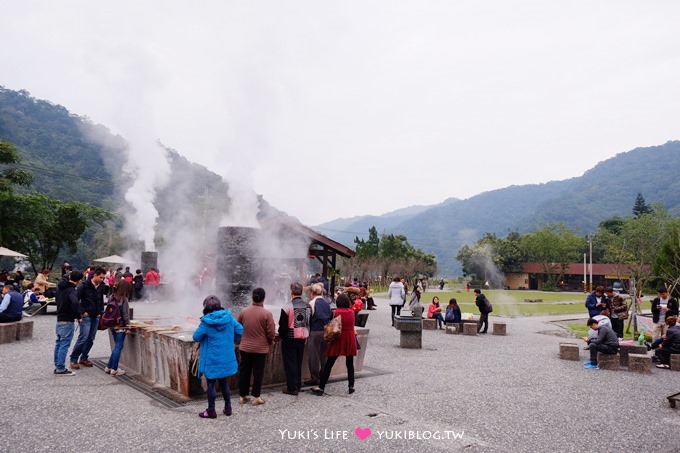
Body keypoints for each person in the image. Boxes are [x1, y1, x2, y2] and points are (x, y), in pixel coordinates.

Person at [193, 295, 243, 418]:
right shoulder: (229, 319)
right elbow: (240, 329)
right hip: (226, 358)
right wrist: (232, 340)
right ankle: (228, 408)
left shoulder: (206, 322)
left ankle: (211, 410)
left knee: (211, 384)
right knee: (223, 382)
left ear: (205, 308)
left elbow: (196, 337)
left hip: (211, 359)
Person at [311, 293, 358, 396]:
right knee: (350, 363)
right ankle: (351, 386)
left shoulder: (336, 312)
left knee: (329, 364)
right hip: (350, 339)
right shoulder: (351, 312)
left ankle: (321, 386)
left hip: (339, 339)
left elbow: (332, 324)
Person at [236, 287, 276, 406]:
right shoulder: (267, 314)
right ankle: (256, 397)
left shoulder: (243, 311)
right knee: (258, 373)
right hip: (260, 349)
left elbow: (237, 328)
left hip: (245, 347)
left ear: (252, 297)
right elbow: (271, 332)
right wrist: (270, 341)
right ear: (263, 299)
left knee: (244, 371)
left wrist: (239, 341)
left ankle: (243, 395)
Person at [278, 282, 311, 396]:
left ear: (291, 292)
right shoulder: (307, 306)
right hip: (302, 338)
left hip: (289, 338)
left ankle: (292, 388)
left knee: (290, 363)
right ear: (301, 292)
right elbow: (308, 322)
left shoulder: (287, 307)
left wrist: (281, 336)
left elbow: (282, 326)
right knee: (298, 361)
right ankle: (298, 384)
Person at [69, 267, 105, 369]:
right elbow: (75, 300)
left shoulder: (101, 286)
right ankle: (74, 359)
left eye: (103, 278)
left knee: (91, 339)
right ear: (95, 275)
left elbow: (101, 300)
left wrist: (101, 312)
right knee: (83, 338)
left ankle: (84, 358)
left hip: (96, 316)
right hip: (86, 316)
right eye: (101, 277)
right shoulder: (84, 286)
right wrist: (81, 312)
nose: (102, 280)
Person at [53, 270, 83, 376]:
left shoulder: (60, 287)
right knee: (64, 344)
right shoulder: (71, 290)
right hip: (68, 319)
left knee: (59, 343)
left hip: (60, 318)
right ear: (79, 281)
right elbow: (75, 302)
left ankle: (57, 365)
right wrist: (78, 315)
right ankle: (61, 368)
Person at [305, 283, 331, 386]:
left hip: (315, 331)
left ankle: (314, 378)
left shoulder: (311, 303)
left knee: (314, 356)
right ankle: (324, 376)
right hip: (326, 331)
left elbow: (307, 320)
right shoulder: (326, 303)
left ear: (313, 292)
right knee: (323, 355)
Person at [104, 279, 132, 376]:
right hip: (121, 326)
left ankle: (108, 367)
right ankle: (114, 369)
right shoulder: (123, 300)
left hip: (112, 325)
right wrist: (128, 327)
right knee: (118, 347)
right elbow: (126, 315)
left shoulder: (111, 297)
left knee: (117, 346)